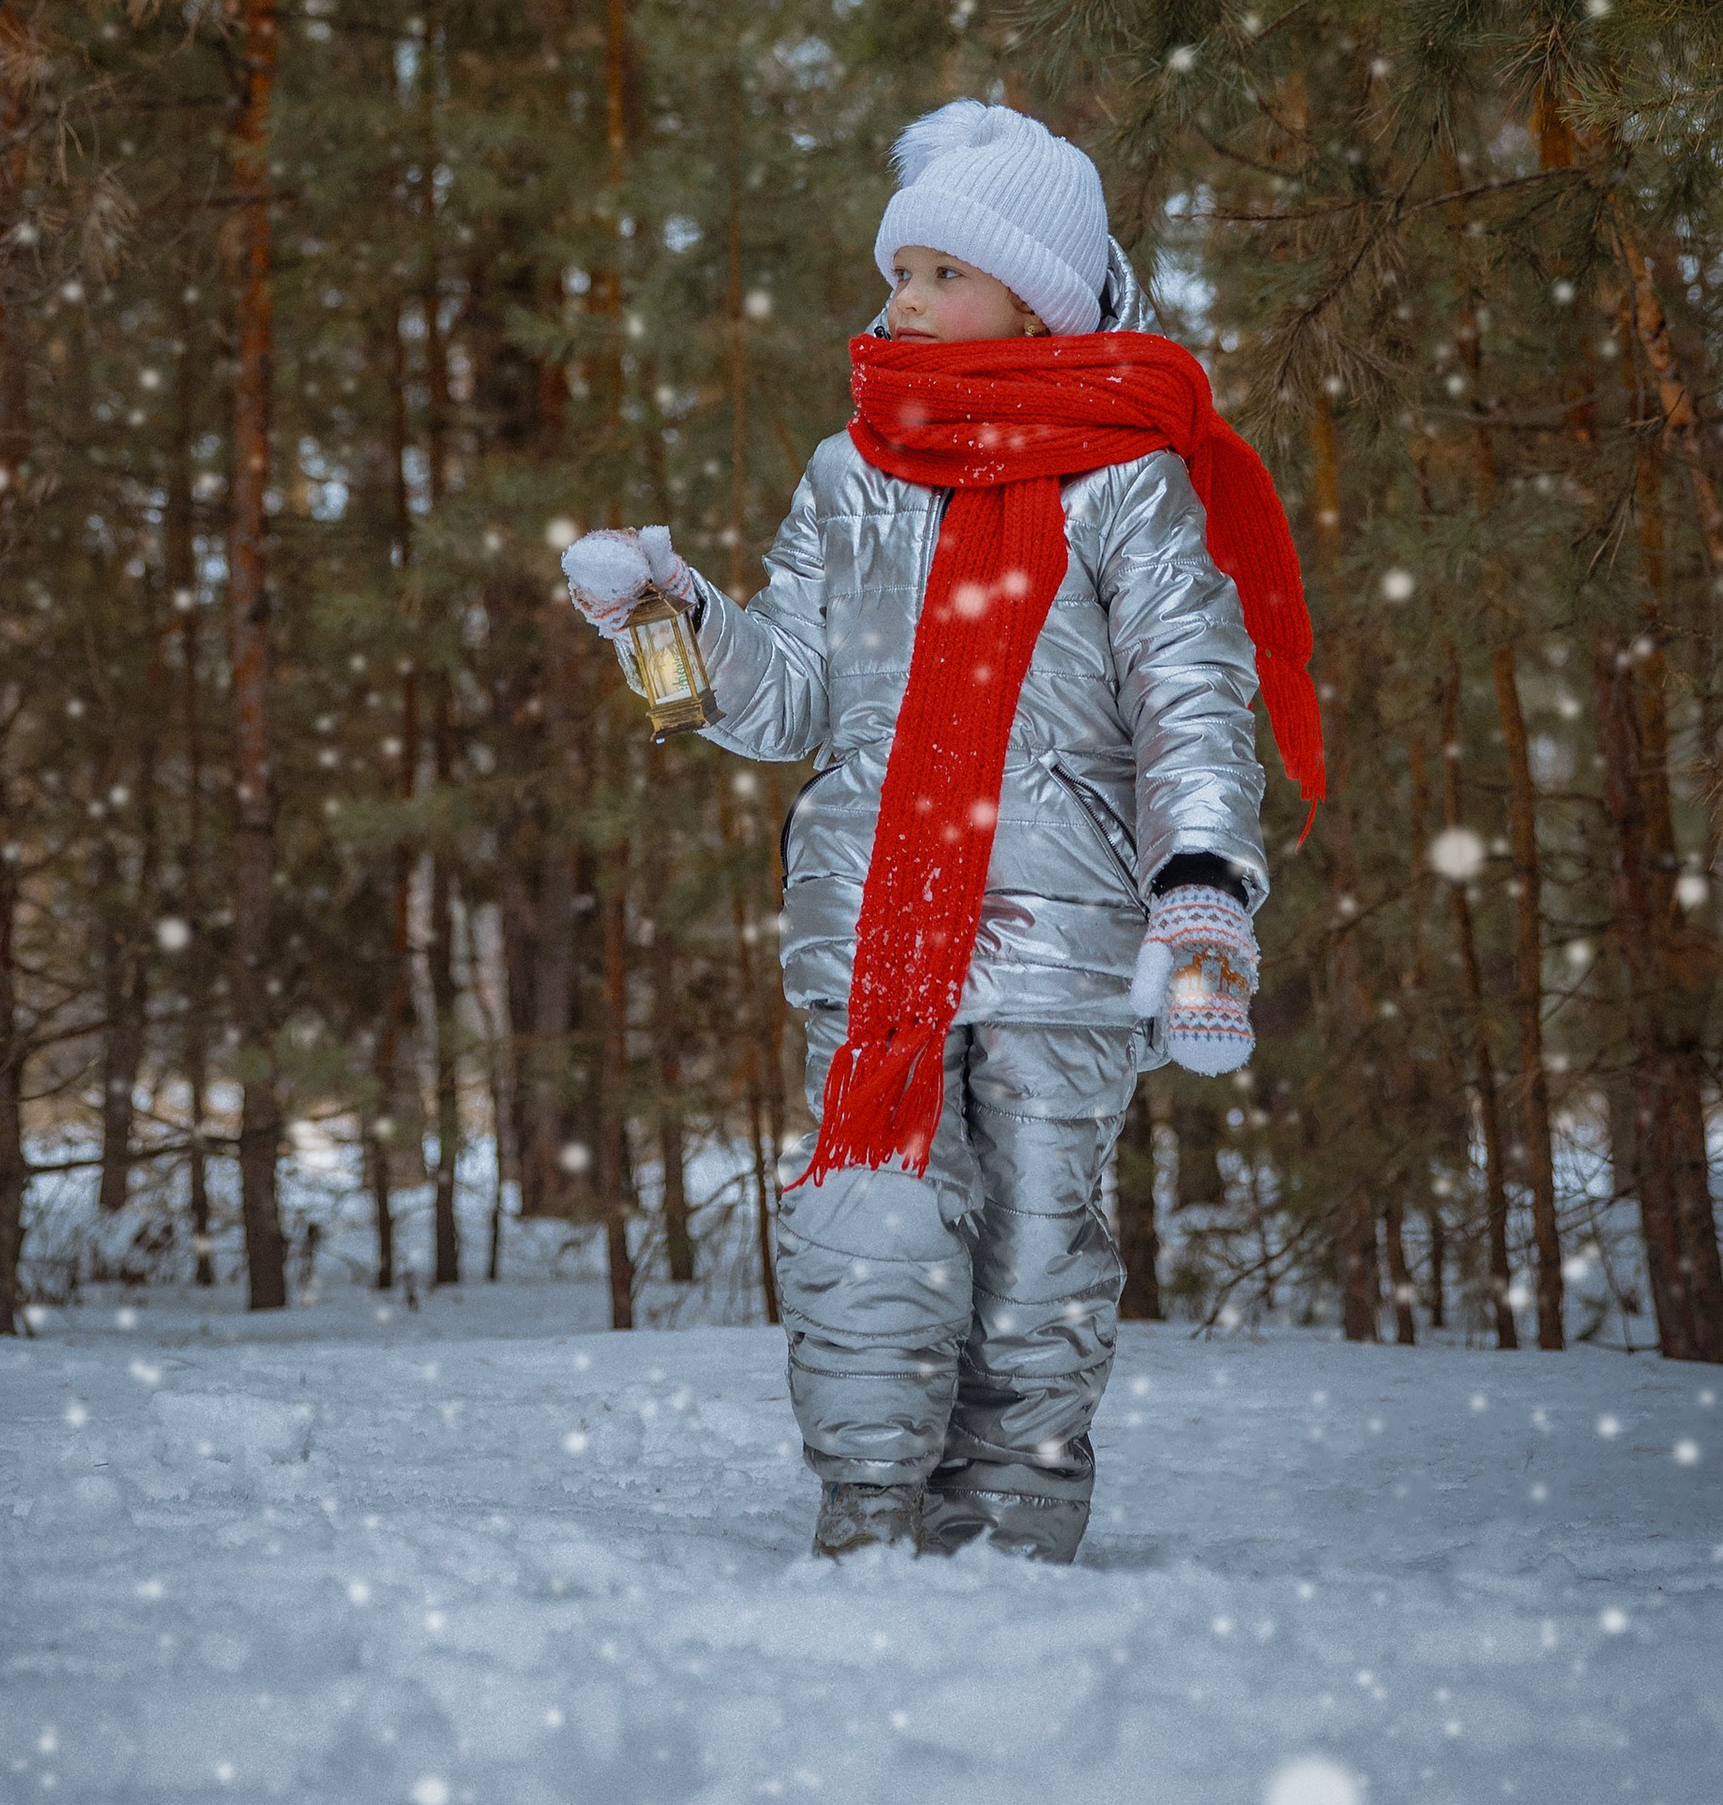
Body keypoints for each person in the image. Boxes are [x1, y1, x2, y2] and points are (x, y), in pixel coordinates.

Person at [562, 98, 1322, 1564]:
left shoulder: (1126, 486)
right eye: (897, 272)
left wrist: (1206, 889)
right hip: (873, 921)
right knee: (872, 1215)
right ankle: (866, 1505)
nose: (898, 301)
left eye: (936, 274)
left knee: (1042, 1246)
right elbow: (788, 695)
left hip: (1068, 935)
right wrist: (675, 618)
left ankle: (1018, 1517)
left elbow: (1192, 697)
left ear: (1034, 292)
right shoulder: (853, 475)